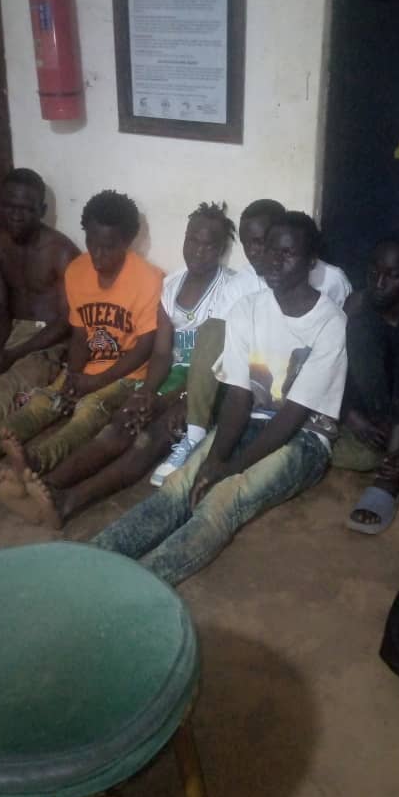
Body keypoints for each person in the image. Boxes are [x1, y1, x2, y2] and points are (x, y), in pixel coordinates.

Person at [89, 212, 347, 586]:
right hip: (253, 418)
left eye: (288, 253)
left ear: (310, 262)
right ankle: (90, 561)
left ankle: (138, 588)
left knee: (223, 500)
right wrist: (214, 458)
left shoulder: (330, 322)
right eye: (271, 250)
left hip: (304, 437)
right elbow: (239, 396)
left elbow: (293, 415)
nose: (275, 261)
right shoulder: (247, 309)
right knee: (181, 485)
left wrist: (231, 468)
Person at [0, 202, 236, 525]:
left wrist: (168, 400)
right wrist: (147, 393)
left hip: (207, 386)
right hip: (171, 378)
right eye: (192, 240)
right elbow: (161, 353)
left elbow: (221, 364)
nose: (198, 251)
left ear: (221, 249)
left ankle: (69, 502)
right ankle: (49, 485)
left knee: (146, 441)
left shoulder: (231, 291)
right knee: (123, 424)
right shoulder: (171, 286)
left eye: (209, 245)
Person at [0, 189, 163, 476]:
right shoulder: (78, 271)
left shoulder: (148, 279)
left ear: (127, 241)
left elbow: (144, 347)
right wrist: (74, 376)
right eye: (91, 242)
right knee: (47, 400)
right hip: (88, 368)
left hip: (128, 375)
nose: (97, 254)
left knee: (90, 410)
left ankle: (38, 459)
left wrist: (94, 383)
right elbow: (80, 334)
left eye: (108, 247)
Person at [151, 199, 352, 485]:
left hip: (305, 386)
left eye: (262, 242)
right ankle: (195, 434)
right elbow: (220, 352)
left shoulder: (331, 280)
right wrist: (189, 399)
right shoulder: (241, 286)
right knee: (213, 330)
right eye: (248, 244)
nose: (256, 252)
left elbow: (338, 347)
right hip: (250, 381)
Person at [0, 168, 79, 470]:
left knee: (11, 385)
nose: (16, 215)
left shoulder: (61, 252)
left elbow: (67, 320)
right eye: (10, 206)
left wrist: (14, 354)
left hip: (47, 339)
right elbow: (0, 306)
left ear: (41, 210)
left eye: (26, 209)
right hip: (11, 329)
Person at [332, 230, 399, 533]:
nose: (379, 283)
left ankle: (391, 474)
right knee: (362, 326)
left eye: (392, 276)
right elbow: (331, 367)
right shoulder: (356, 305)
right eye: (373, 272)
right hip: (372, 422)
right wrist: (351, 416)